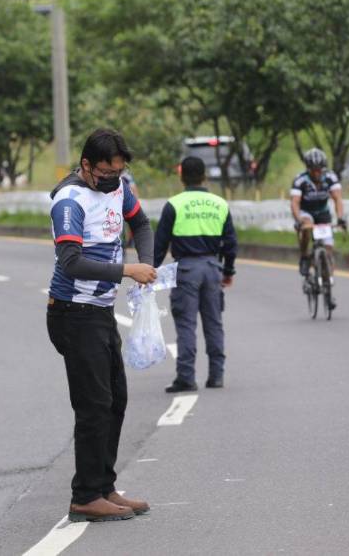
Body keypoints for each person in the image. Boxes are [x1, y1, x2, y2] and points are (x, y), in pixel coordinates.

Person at [46, 128, 157, 523]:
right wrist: (129, 269)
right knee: (93, 405)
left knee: (116, 400)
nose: (113, 181)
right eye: (106, 174)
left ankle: (104, 485)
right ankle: (85, 496)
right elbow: (71, 262)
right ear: (86, 165)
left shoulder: (119, 188)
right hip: (73, 312)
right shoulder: (69, 201)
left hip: (100, 310)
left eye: (119, 173)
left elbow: (141, 225)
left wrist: (148, 265)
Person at [154, 156, 238, 392]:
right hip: (213, 269)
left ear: (181, 176)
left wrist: (150, 271)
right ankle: (216, 375)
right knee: (214, 323)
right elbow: (230, 243)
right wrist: (228, 271)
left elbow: (160, 244)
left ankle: (186, 377)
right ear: (205, 176)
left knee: (186, 324)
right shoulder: (220, 204)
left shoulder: (174, 204)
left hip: (186, 270)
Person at [289, 148, 347, 289]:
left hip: (322, 212)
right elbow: (295, 202)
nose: (317, 173)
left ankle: (327, 281)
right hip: (306, 211)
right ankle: (304, 256)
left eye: (320, 170)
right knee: (307, 226)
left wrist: (340, 218)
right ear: (308, 169)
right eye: (314, 170)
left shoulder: (330, 177)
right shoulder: (300, 180)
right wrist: (298, 219)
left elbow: (337, 199)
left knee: (328, 247)